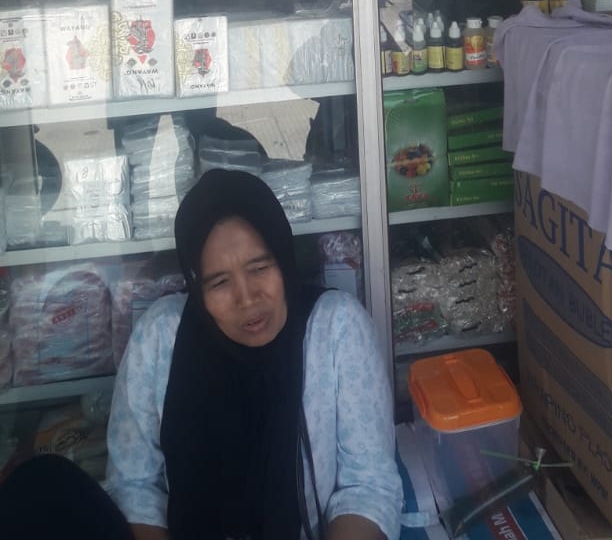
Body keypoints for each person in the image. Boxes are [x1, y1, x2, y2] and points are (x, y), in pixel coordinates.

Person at [0, 169, 402, 540]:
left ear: (283, 258)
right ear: (196, 286)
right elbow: (136, 486)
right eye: (220, 282)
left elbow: (367, 486)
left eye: (260, 268)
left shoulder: (336, 328)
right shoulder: (161, 338)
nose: (247, 298)